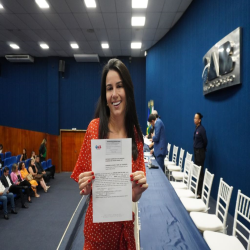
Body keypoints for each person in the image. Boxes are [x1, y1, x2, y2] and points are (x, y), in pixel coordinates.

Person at [71, 58, 148, 249]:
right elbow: (85, 185)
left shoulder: (136, 135)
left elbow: (133, 196)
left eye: (119, 86)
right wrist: (85, 186)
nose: (114, 94)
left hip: (124, 232)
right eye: (109, 88)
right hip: (97, 234)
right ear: (104, 94)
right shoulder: (94, 129)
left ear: (128, 91)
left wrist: (136, 192)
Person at [193, 112, 208, 197]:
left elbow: (205, 141)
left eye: (196, 118)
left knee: (200, 173)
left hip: (200, 153)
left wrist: (202, 148)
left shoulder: (202, 129)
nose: (194, 119)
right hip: (196, 152)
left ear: (199, 120)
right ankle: (197, 188)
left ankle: (200, 192)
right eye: (194, 118)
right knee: (197, 171)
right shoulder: (196, 128)